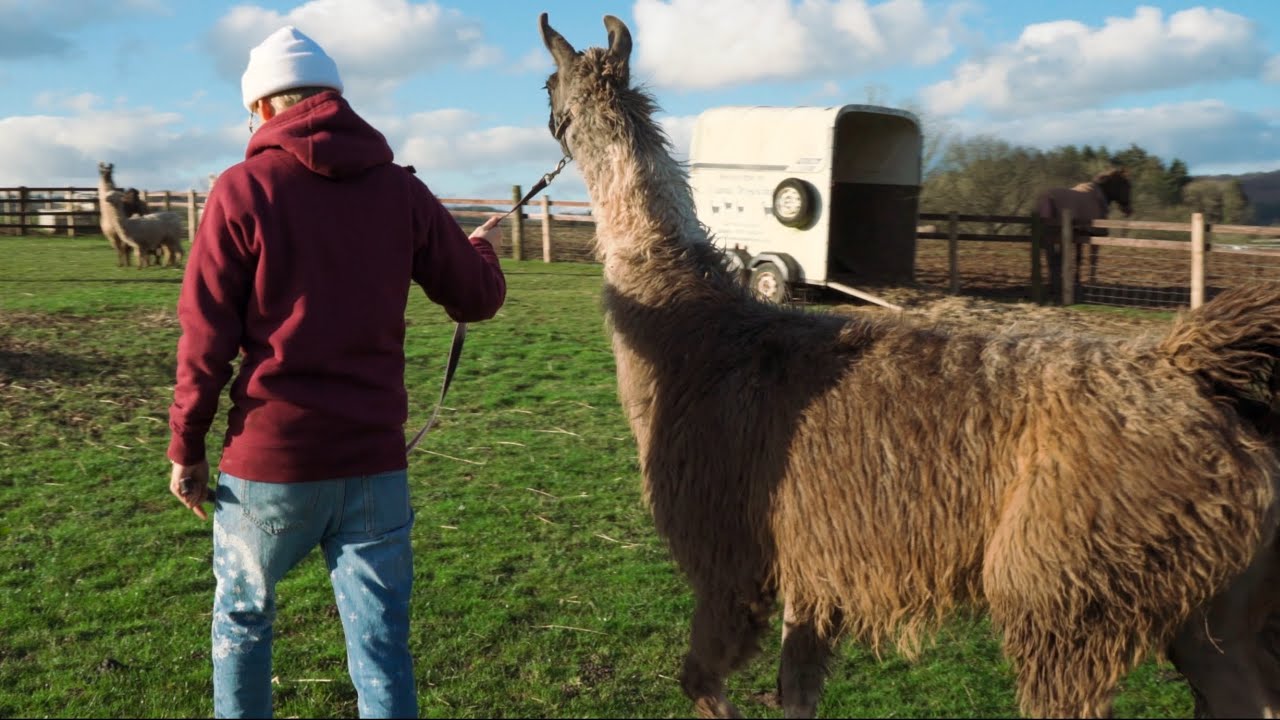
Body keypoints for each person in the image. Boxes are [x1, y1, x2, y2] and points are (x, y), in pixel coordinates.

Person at [165, 25, 506, 718]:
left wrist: (186, 447)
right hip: (373, 464)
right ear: (334, 100)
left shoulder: (239, 190)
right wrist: (482, 252)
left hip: (269, 463)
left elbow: (205, 339)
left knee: (242, 623)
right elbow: (476, 295)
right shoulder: (401, 191)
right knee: (381, 645)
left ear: (262, 109)